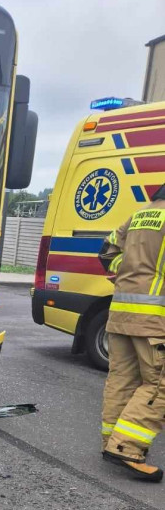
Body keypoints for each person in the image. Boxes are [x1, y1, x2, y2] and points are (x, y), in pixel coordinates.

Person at [99, 183, 165, 481]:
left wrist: (128, 278)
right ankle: (127, 447)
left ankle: (111, 442)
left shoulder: (138, 216)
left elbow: (105, 253)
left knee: (122, 379)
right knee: (158, 385)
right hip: (154, 319)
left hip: (121, 312)